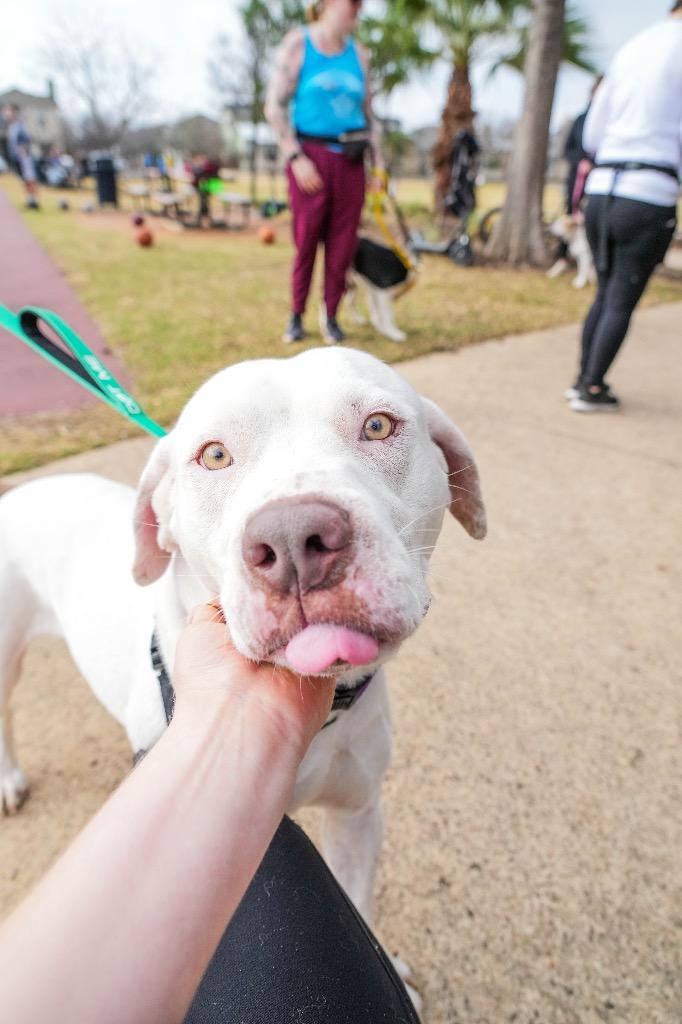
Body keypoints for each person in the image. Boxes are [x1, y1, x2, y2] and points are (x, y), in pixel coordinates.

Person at [0, 602, 420, 1024]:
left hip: (354, 699)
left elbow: (358, 818)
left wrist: (368, 954)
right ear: (161, 536)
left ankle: (369, 953)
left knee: (358, 811)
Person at [567, 4, 681, 413]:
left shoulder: (635, 45)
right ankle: (591, 387)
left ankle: (583, 378)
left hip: (601, 189)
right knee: (620, 298)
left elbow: (594, 129)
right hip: (648, 191)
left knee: (605, 292)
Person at [265, 0, 386, 345]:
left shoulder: (359, 55)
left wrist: (378, 164)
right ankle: (296, 315)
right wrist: (295, 157)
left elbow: (370, 116)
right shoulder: (299, 44)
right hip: (310, 158)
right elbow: (273, 106)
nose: (358, 11)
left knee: (342, 244)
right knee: (306, 242)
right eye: (353, 4)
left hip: (350, 158)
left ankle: (330, 315)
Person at [548, 76, 603, 278]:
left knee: (594, 224)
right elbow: (568, 150)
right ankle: (562, 258)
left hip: (599, 184)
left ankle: (592, 265)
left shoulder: (612, 124)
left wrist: (595, 165)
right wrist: (580, 162)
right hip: (576, 181)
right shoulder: (581, 120)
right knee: (569, 220)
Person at [2, 104, 40, 209]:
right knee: (24, 179)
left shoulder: (20, 124)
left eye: (7, 111)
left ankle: (34, 201)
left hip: (24, 157)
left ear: (13, 112)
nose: (5, 114)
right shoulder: (11, 126)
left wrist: (23, 150)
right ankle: (29, 200)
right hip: (17, 157)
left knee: (29, 178)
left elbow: (27, 138)